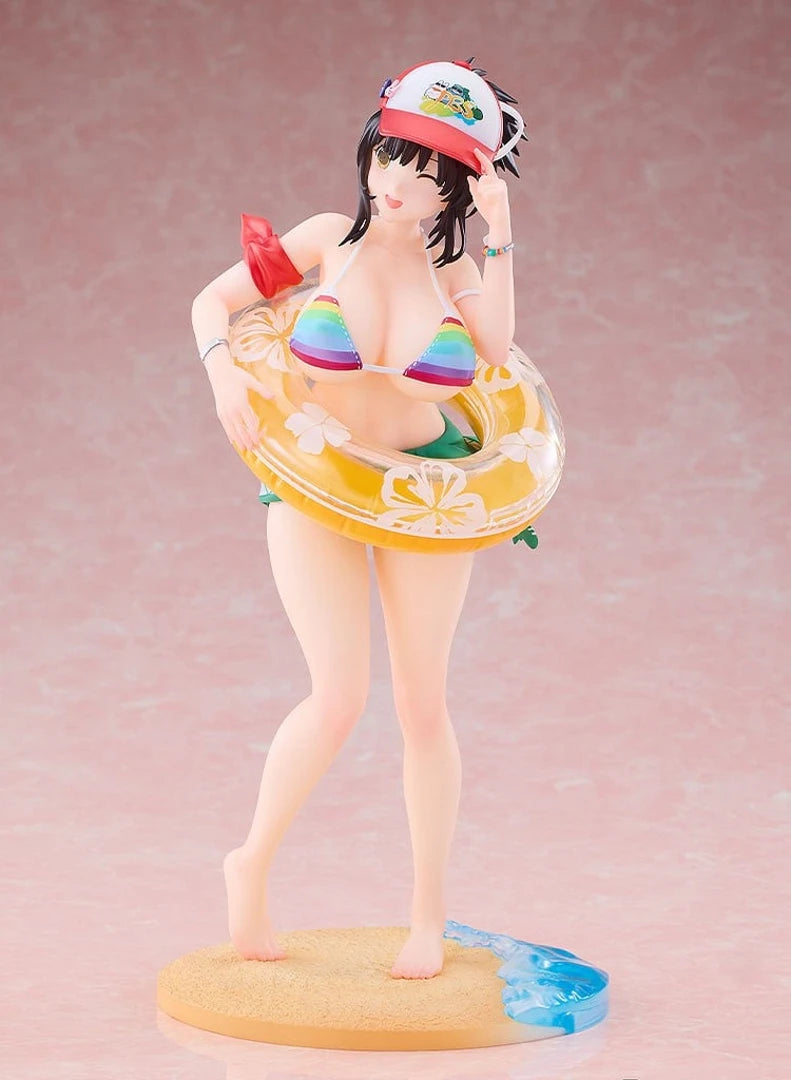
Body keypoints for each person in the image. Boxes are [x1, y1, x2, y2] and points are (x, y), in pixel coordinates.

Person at [190, 59, 528, 980]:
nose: (397, 182)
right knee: (337, 697)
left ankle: (426, 917)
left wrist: (500, 233)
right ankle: (250, 862)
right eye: (389, 155)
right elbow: (213, 300)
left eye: (426, 172)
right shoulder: (323, 240)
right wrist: (224, 373)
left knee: (423, 706)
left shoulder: (456, 266)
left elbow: (496, 352)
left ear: (457, 190)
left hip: (424, 494)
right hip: (317, 486)